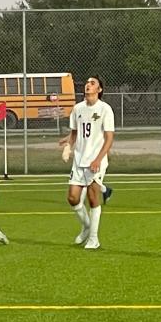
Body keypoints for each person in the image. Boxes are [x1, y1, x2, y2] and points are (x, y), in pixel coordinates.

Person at [58, 75, 115, 250]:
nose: (88, 86)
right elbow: (75, 132)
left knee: (92, 198)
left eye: (92, 83)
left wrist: (98, 159)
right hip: (79, 160)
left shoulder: (105, 109)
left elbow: (109, 138)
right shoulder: (77, 109)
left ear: (99, 89)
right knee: (73, 198)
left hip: (96, 161)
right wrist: (68, 146)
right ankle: (87, 226)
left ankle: (94, 238)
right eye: (87, 83)